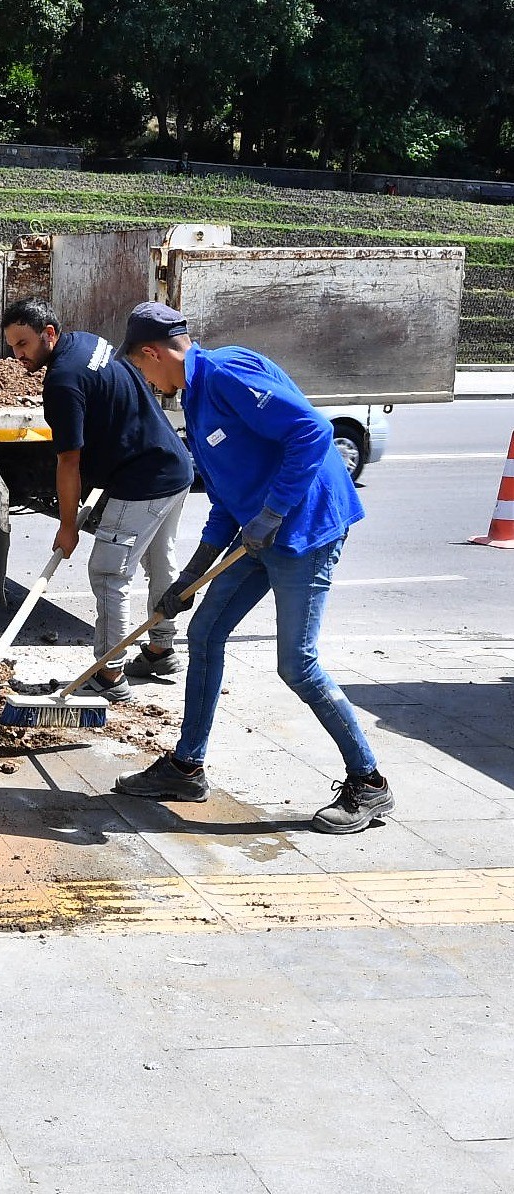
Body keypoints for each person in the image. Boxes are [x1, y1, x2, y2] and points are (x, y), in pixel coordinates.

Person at [114, 301, 392, 834]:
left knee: (297, 664)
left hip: (305, 530)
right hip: (259, 533)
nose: (149, 381)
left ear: (152, 353)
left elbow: (312, 431)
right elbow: (227, 495)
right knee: (205, 631)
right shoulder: (195, 398)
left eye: (144, 370)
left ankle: (370, 783)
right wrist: (191, 574)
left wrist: (272, 513)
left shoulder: (225, 374)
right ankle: (186, 767)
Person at [1, 298, 195, 702]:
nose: (17, 355)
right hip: (173, 465)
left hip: (142, 481)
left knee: (109, 573)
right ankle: (160, 649)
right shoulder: (89, 342)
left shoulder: (61, 382)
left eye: (23, 344)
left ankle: (108, 674)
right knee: (160, 559)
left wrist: (67, 526)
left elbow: (68, 460)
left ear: (48, 334)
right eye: (13, 346)